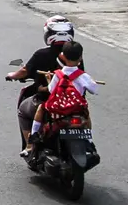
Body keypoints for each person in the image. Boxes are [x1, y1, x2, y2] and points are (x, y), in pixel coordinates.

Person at [6, 16, 81, 155]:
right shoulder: (75, 57)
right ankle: (88, 142)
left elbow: (25, 71)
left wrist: (12, 75)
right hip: (74, 103)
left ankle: (30, 145)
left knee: (23, 111)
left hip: (48, 101)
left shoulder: (42, 54)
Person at [25, 41, 97, 157]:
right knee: (86, 115)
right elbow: (94, 90)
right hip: (77, 109)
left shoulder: (58, 74)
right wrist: (91, 81)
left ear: (63, 56)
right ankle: (89, 141)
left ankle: (33, 136)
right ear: (80, 57)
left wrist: (49, 79)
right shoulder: (83, 76)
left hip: (59, 109)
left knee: (41, 108)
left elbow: (51, 89)